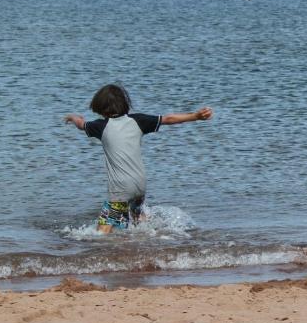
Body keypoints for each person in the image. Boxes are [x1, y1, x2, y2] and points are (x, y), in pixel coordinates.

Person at [64, 84, 213, 233]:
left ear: (100, 108)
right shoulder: (138, 120)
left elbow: (81, 124)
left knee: (102, 230)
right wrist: (195, 116)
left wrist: (73, 117)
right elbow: (168, 118)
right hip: (140, 185)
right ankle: (147, 239)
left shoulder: (99, 126)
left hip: (121, 187)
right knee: (137, 221)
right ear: (124, 103)